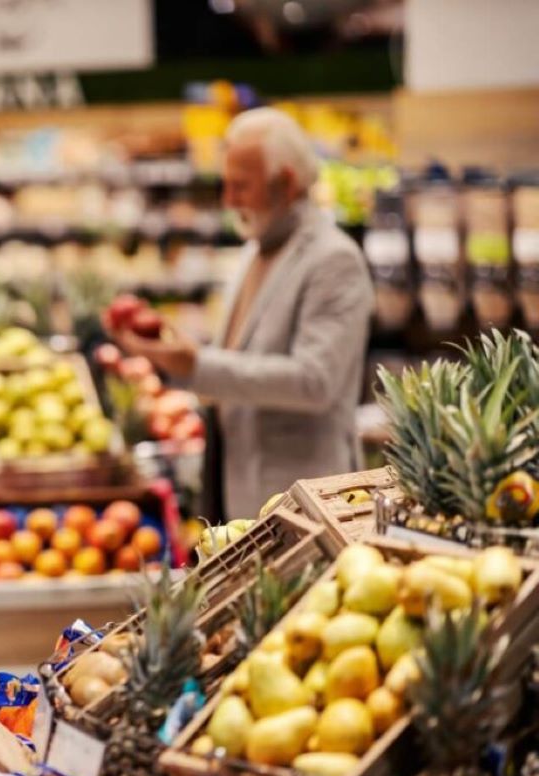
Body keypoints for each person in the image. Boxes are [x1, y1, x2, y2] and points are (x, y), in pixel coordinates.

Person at [105, 108, 373, 519]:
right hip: (244, 494)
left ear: (285, 183)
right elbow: (240, 358)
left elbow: (316, 381)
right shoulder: (254, 250)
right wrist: (174, 353)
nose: (228, 200)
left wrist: (198, 365)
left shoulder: (333, 259)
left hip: (306, 505)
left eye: (240, 186)